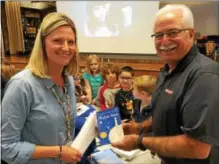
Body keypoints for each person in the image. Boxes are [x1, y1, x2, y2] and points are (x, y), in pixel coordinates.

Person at [112, 4, 219, 164]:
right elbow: (167, 115)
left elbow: (197, 147)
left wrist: (139, 141)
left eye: (173, 32)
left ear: (190, 34)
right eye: (158, 34)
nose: (164, 41)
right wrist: (140, 128)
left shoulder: (204, 75)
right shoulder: (167, 70)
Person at [1, 12, 82, 164]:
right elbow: (4, 147)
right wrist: (58, 152)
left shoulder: (69, 81)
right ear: (43, 44)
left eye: (71, 42)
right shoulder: (22, 85)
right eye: (58, 41)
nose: (66, 48)